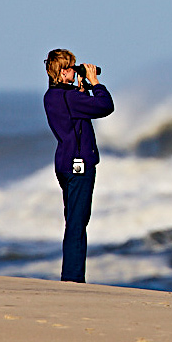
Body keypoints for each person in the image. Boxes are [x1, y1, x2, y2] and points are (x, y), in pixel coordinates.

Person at [43, 49, 114, 283]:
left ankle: (71, 274)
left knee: (73, 219)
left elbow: (75, 106)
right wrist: (95, 83)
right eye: (71, 68)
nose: (75, 72)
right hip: (79, 165)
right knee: (77, 222)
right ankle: (73, 278)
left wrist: (81, 87)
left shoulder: (51, 96)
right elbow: (105, 106)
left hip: (64, 163)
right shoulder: (70, 99)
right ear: (62, 72)